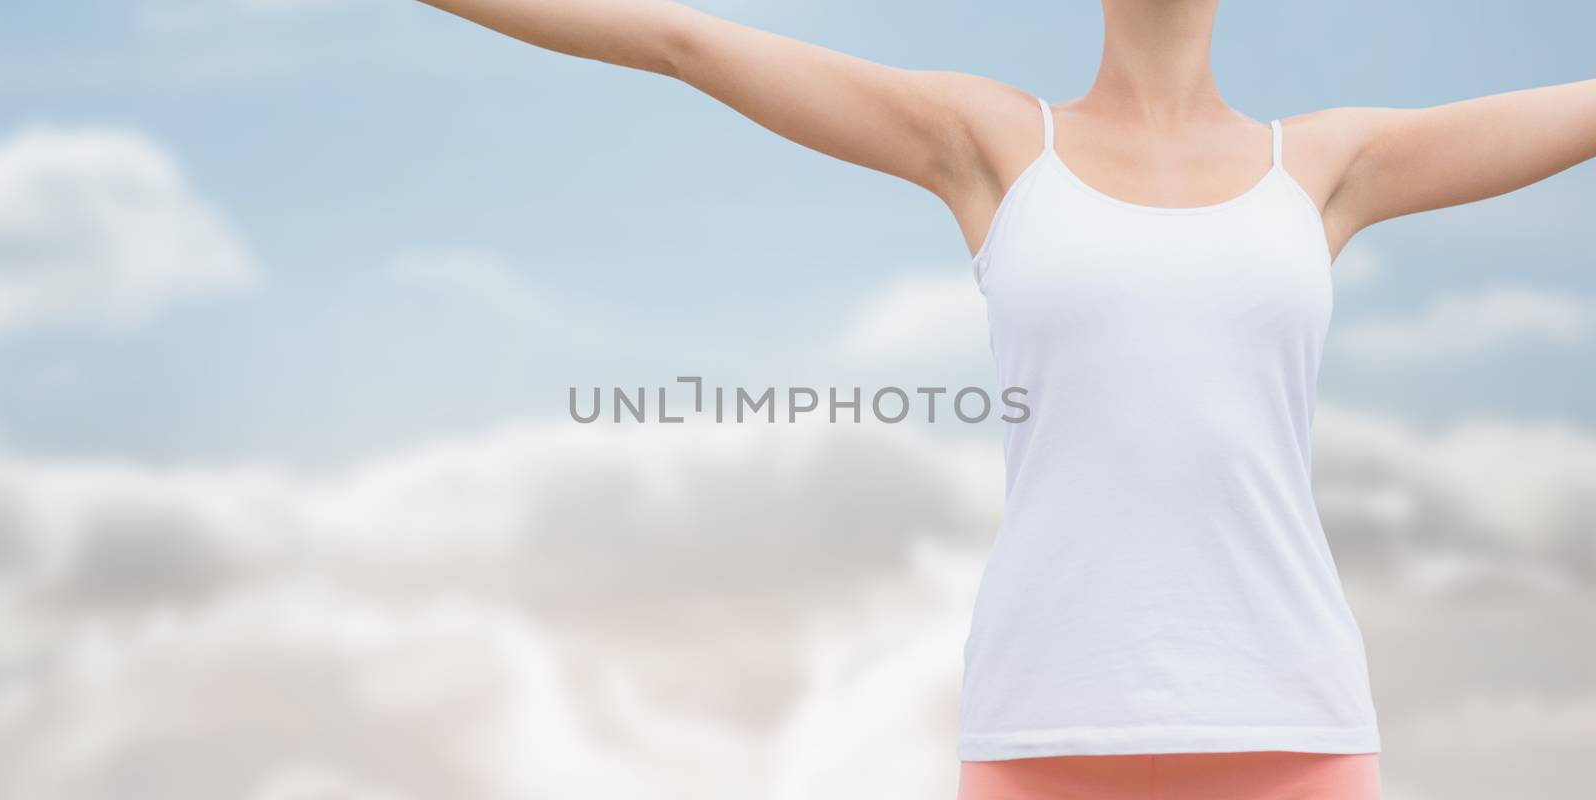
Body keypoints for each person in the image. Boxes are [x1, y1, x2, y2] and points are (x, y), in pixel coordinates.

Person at [413, 1, 1596, 797]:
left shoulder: (1328, 164)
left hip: (1292, 722)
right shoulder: (988, 142)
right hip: (1048, 724)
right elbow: (686, 40)